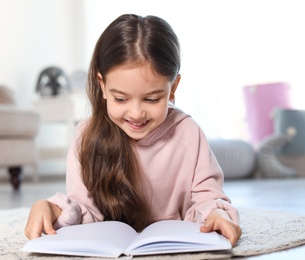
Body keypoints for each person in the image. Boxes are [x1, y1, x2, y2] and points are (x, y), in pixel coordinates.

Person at [25, 14, 242, 246]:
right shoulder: (87, 136)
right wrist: (52, 208)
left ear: (173, 88)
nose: (136, 113)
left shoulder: (188, 132)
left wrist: (216, 215)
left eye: (151, 99)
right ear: (103, 86)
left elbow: (206, 197)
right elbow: (84, 208)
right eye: (121, 99)